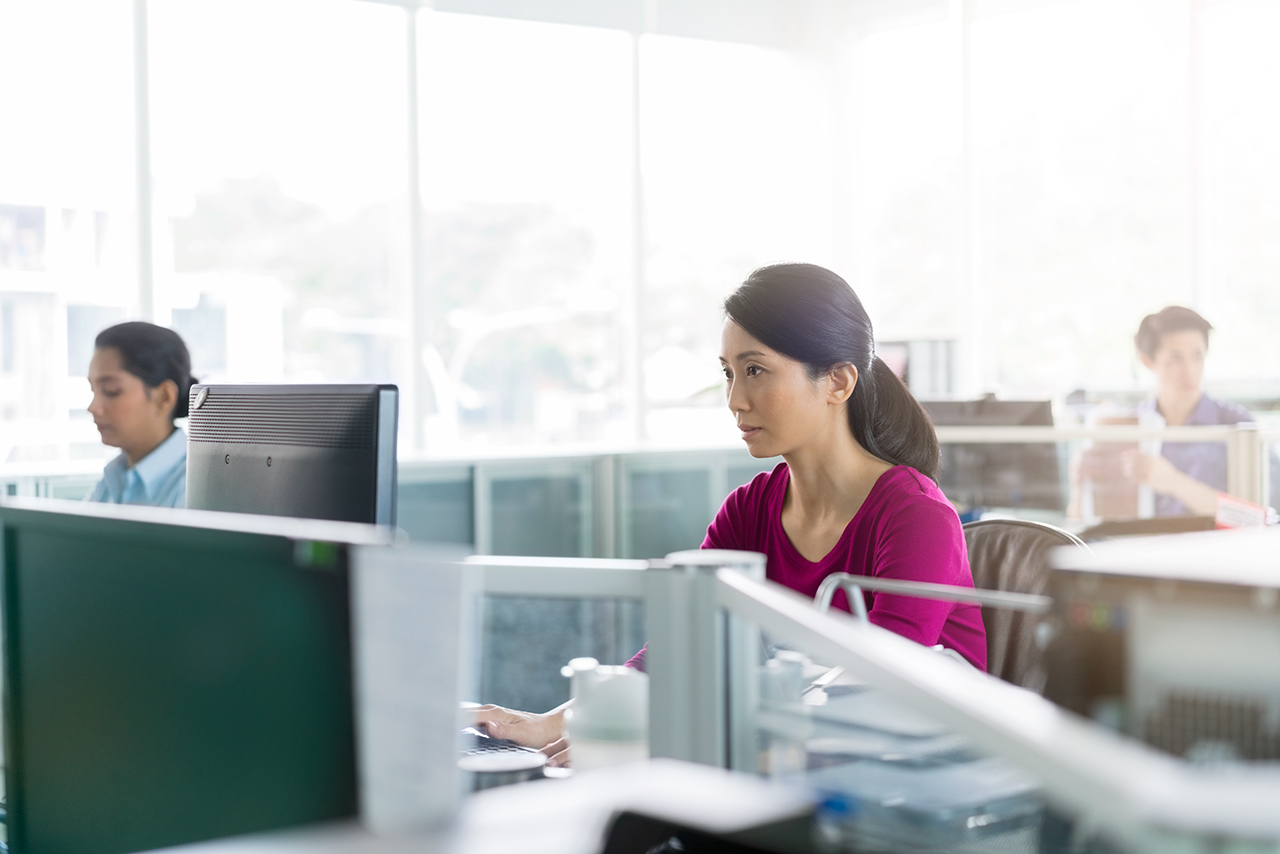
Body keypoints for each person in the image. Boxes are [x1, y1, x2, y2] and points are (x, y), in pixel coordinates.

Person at [473, 263, 987, 763]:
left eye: (756, 370)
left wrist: (672, 733)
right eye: (729, 373)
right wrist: (558, 722)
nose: (735, 399)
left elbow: (878, 688)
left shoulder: (916, 517)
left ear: (837, 382)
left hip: (919, 785)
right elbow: (682, 647)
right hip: (803, 767)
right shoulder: (748, 509)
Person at [1077, 306, 1256, 518]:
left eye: (1197, 356)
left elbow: (1255, 519)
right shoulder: (1126, 429)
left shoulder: (1236, 425)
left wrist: (1173, 482)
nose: (1189, 370)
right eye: (1175, 359)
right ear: (1147, 361)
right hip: (1138, 547)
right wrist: (1080, 489)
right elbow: (1087, 524)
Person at [86, 321, 197, 508]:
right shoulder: (112, 478)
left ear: (164, 397)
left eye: (111, 390)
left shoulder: (196, 488)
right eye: (93, 391)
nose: (93, 407)